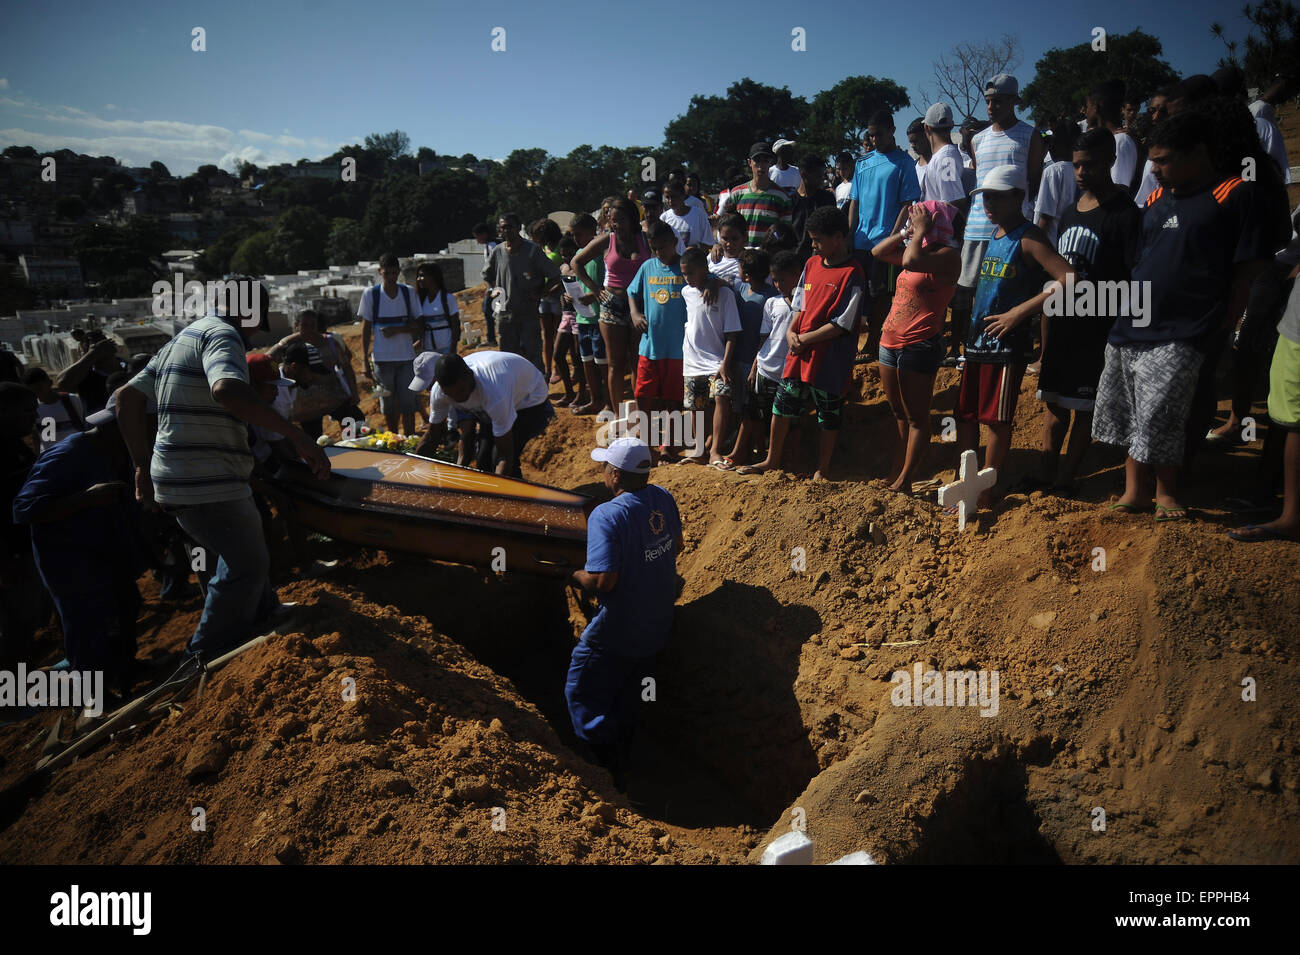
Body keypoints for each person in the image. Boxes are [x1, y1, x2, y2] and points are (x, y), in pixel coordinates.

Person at [116, 280, 330, 662]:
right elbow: (227, 388)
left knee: (238, 552)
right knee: (247, 563)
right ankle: (203, 654)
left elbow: (126, 398)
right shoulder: (222, 335)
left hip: (183, 476)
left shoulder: (183, 338)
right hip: (206, 478)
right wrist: (296, 435)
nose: (255, 330)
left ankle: (265, 613)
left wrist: (140, 465)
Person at [1092, 111, 1277, 521]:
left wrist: (1232, 318)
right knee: (1132, 411)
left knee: (1163, 411)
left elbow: (1248, 267)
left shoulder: (1233, 194)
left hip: (1185, 327)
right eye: (1152, 160)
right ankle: (1134, 491)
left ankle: (1166, 493)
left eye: (1164, 160)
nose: (1154, 169)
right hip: (1132, 325)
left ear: (1198, 153)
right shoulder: (1157, 199)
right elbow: (1142, 258)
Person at [566, 436, 682, 788]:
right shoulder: (662, 496)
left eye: (605, 467)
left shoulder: (607, 514)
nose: (603, 472)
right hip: (658, 621)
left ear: (615, 474)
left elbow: (603, 581)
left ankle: (601, 772)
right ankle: (625, 753)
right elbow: (676, 545)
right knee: (630, 690)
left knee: (581, 690)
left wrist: (569, 571)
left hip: (619, 628)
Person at [13, 394, 146, 702]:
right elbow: (24, 508)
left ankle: (124, 670)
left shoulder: (123, 451)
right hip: (71, 558)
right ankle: (89, 698)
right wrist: (85, 499)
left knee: (125, 607)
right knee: (87, 626)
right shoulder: (68, 454)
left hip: (108, 550)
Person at [1030, 128, 1140, 495]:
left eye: (1089, 165)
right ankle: (1045, 472)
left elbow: (1132, 276)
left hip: (1097, 329)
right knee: (1053, 404)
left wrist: (1123, 328)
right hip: (1062, 326)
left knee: (1084, 408)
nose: (1080, 173)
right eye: (1077, 166)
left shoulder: (1125, 214)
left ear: (1110, 160)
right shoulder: (1069, 210)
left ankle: (1065, 479)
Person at [956, 165, 1073, 509]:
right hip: (977, 343)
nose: (988, 203)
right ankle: (965, 482)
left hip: (1005, 347)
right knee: (965, 415)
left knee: (996, 419)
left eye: (996, 196)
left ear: (1019, 197)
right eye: (984, 197)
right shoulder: (994, 234)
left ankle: (986, 491)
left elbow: (1069, 278)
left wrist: (1021, 312)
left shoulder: (1029, 237)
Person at [739, 206, 864, 480]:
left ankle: (823, 469)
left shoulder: (853, 273)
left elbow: (844, 321)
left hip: (830, 358)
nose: (813, 245)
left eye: (818, 239)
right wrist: (790, 332)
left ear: (839, 237)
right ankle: (772, 459)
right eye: (812, 239)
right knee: (782, 406)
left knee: (828, 415)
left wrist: (805, 338)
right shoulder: (810, 264)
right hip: (799, 353)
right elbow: (799, 304)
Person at [948, 74, 1046, 367]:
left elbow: (1033, 179)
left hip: (1015, 231)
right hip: (978, 227)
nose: (991, 106)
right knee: (971, 292)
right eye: (989, 101)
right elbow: (981, 179)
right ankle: (971, 348)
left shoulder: (1031, 135)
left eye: (999, 101)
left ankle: (1016, 349)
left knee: (1012, 290)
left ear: (1015, 101)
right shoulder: (977, 139)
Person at [870, 201, 961, 493]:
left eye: (922, 219)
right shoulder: (916, 250)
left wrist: (920, 232)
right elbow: (878, 252)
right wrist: (906, 232)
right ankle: (898, 471)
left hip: (918, 345)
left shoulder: (948, 256)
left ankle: (906, 480)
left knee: (917, 418)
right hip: (890, 342)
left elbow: (910, 262)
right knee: (899, 413)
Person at [1230, 265, 1300, 542]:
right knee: (1284, 413)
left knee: (1293, 418)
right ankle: (1267, 494)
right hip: (1291, 321)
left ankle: (1290, 516)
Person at [847, 109, 920, 358]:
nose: (874, 140)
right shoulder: (863, 163)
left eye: (879, 134)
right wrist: (849, 235)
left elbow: (907, 203)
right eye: (871, 135)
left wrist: (892, 238)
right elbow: (854, 202)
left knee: (881, 297)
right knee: (858, 295)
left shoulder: (904, 162)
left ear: (892, 131)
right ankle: (854, 343)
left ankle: (875, 344)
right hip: (860, 242)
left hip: (886, 245)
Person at [411, 351, 553, 478]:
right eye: (450, 394)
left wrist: (494, 496)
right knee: (483, 461)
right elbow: (432, 436)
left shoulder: (494, 392)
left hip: (529, 399)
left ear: (470, 376)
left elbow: (505, 455)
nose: (457, 398)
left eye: (460, 391)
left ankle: (519, 502)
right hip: (491, 403)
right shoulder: (440, 392)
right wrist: (412, 470)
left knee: (502, 458)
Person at [572, 198, 650, 411]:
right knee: (615, 365)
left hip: (640, 306)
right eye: (612, 220)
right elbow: (576, 262)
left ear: (633, 219)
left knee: (637, 363)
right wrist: (595, 289)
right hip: (611, 305)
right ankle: (617, 413)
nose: (616, 224)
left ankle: (638, 414)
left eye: (621, 220)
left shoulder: (645, 240)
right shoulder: (607, 240)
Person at [627, 222, 688, 461]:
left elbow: (707, 281)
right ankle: (647, 442)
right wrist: (634, 313)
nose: (659, 253)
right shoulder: (647, 267)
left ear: (674, 242)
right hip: (650, 346)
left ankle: (668, 443)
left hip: (677, 349)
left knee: (673, 398)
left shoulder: (685, 266)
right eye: (654, 248)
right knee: (644, 395)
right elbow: (632, 292)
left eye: (663, 247)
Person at [678, 247, 741, 467]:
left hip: (716, 361)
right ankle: (697, 451)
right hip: (692, 362)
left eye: (691, 273)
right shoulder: (686, 292)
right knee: (695, 406)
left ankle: (714, 451)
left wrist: (725, 363)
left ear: (705, 268)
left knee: (722, 398)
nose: (687, 278)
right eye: (684, 274)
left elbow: (732, 332)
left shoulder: (725, 294)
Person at [740, 249, 801, 471]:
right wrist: (754, 367)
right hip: (766, 367)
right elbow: (763, 338)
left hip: (790, 370)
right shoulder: (771, 303)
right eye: (774, 280)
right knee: (764, 416)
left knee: (791, 418)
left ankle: (792, 461)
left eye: (782, 279)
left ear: (797, 275)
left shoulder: (805, 304)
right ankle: (766, 456)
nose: (777, 284)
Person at [483, 213, 563, 374]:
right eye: (502, 227)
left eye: (509, 226)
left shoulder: (532, 251)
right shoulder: (498, 251)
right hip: (504, 314)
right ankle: (514, 391)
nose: (506, 230)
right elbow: (487, 276)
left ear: (518, 228)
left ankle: (538, 392)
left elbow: (555, 275)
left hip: (528, 314)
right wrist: (492, 290)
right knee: (507, 356)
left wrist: (541, 293)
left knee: (532, 354)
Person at [720, 250, 777, 468]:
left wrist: (756, 364)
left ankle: (751, 450)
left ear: (747, 275)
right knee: (740, 405)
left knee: (750, 407)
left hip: (755, 361)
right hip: (737, 357)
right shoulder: (740, 289)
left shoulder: (770, 298)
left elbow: (766, 336)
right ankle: (748, 446)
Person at [269, 309, 361, 439]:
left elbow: (347, 367)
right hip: (306, 406)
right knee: (314, 439)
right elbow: (268, 360)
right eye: (305, 325)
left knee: (353, 429)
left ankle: (354, 451)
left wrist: (354, 392)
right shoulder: (287, 344)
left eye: (313, 325)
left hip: (334, 396)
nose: (310, 329)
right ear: (296, 325)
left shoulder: (330, 342)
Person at [0, 382, 41, 668]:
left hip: (25, 549)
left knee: (26, 622)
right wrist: (5, 562)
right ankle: (10, 702)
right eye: (28, 410)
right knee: (15, 628)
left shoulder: (16, 444)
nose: (35, 417)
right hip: (12, 558)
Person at [359, 253, 421, 437]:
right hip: (382, 360)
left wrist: (398, 330)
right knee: (389, 405)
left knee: (408, 403)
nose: (392, 277)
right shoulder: (371, 294)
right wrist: (363, 360)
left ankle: (409, 439)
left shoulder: (408, 293)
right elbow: (365, 328)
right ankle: (394, 438)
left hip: (406, 358)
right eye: (388, 273)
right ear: (380, 272)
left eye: (395, 273)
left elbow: (419, 324)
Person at [566, 214, 608, 416]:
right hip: (582, 317)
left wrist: (596, 292)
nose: (576, 239)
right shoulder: (579, 255)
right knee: (587, 361)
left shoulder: (602, 253)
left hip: (600, 317)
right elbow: (577, 280)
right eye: (573, 235)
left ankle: (609, 402)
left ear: (592, 232)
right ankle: (595, 400)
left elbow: (610, 281)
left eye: (579, 234)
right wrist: (569, 294)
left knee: (603, 363)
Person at [721, 142, 794, 247]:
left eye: (765, 161)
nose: (761, 166)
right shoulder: (736, 193)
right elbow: (725, 225)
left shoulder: (781, 197)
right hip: (740, 256)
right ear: (750, 162)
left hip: (767, 257)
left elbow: (785, 233)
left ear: (770, 163)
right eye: (757, 161)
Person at [529, 218, 566, 385]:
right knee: (547, 336)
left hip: (557, 295)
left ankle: (558, 368)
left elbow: (563, 274)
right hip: (544, 296)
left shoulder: (560, 248)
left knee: (558, 334)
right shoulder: (542, 249)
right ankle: (548, 369)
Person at [1086, 81, 1138, 193]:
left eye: (1087, 107)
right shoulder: (1112, 140)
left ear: (1096, 107)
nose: (1086, 112)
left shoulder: (1120, 141)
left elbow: (1118, 190)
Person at [553, 234, 587, 408]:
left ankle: (582, 393)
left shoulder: (582, 267)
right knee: (558, 355)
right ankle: (569, 392)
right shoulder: (563, 268)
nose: (566, 257)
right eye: (563, 254)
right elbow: (560, 288)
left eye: (569, 254)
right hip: (566, 315)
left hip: (580, 315)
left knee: (576, 357)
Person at [57, 334, 125, 415]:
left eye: (105, 346)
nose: (102, 352)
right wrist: (92, 354)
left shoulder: (129, 369)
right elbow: (62, 384)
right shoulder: (84, 376)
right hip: (98, 425)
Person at [24, 367, 86, 453]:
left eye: (39, 388)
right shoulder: (32, 408)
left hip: (76, 452)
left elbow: (85, 424)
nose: (37, 393)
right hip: (51, 456)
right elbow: (35, 435)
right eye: (32, 391)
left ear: (50, 383)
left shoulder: (71, 400)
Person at [919, 104, 968, 210]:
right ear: (952, 126)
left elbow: (954, 202)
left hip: (940, 225)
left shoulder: (946, 157)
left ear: (926, 128)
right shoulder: (944, 156)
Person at [791, 153, 837, 261]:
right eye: (818, 176)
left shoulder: (827, 198)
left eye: (822, 175)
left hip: (820, 259)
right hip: (794, 262)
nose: (822, 180)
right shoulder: (790, 201)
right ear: (803, 174)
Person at [415, 261, 461, 357]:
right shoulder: (421, 300)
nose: (419, 279)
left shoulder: (447, 298)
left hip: (446, 347)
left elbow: (455, 324)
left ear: (433, 277)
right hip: (428, 349)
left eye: (422, 275)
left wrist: (452, 349)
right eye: (418, 276)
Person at [660, 178, 714, 254]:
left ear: (683, 195)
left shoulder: (698, 214)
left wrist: (696, 248)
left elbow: (709, 242)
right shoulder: (664, 218)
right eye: (667, 197)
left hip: (696, 262)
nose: (670, 201)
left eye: (674, 197)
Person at [473, 222, 500, 345]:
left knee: (490, 310)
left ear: (483, 234)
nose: (477, 240)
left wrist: (491, 287)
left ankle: (492, 338)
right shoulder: (489, 246)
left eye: (477, 236)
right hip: (492, 285)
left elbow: (494, 267)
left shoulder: (492, 246)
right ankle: (492, 337)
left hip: (495, 286)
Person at [708, 213, 747, 286]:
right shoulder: (712, 257)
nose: (729, 244)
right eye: (725, 239)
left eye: (734, 239)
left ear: (744, 237)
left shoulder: (750, 261)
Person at [906, 118, 932, 197]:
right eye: (911, 142)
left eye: (916, 141)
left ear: (927, 136)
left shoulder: (940, 163)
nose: (912, 146)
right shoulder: (912, 168)